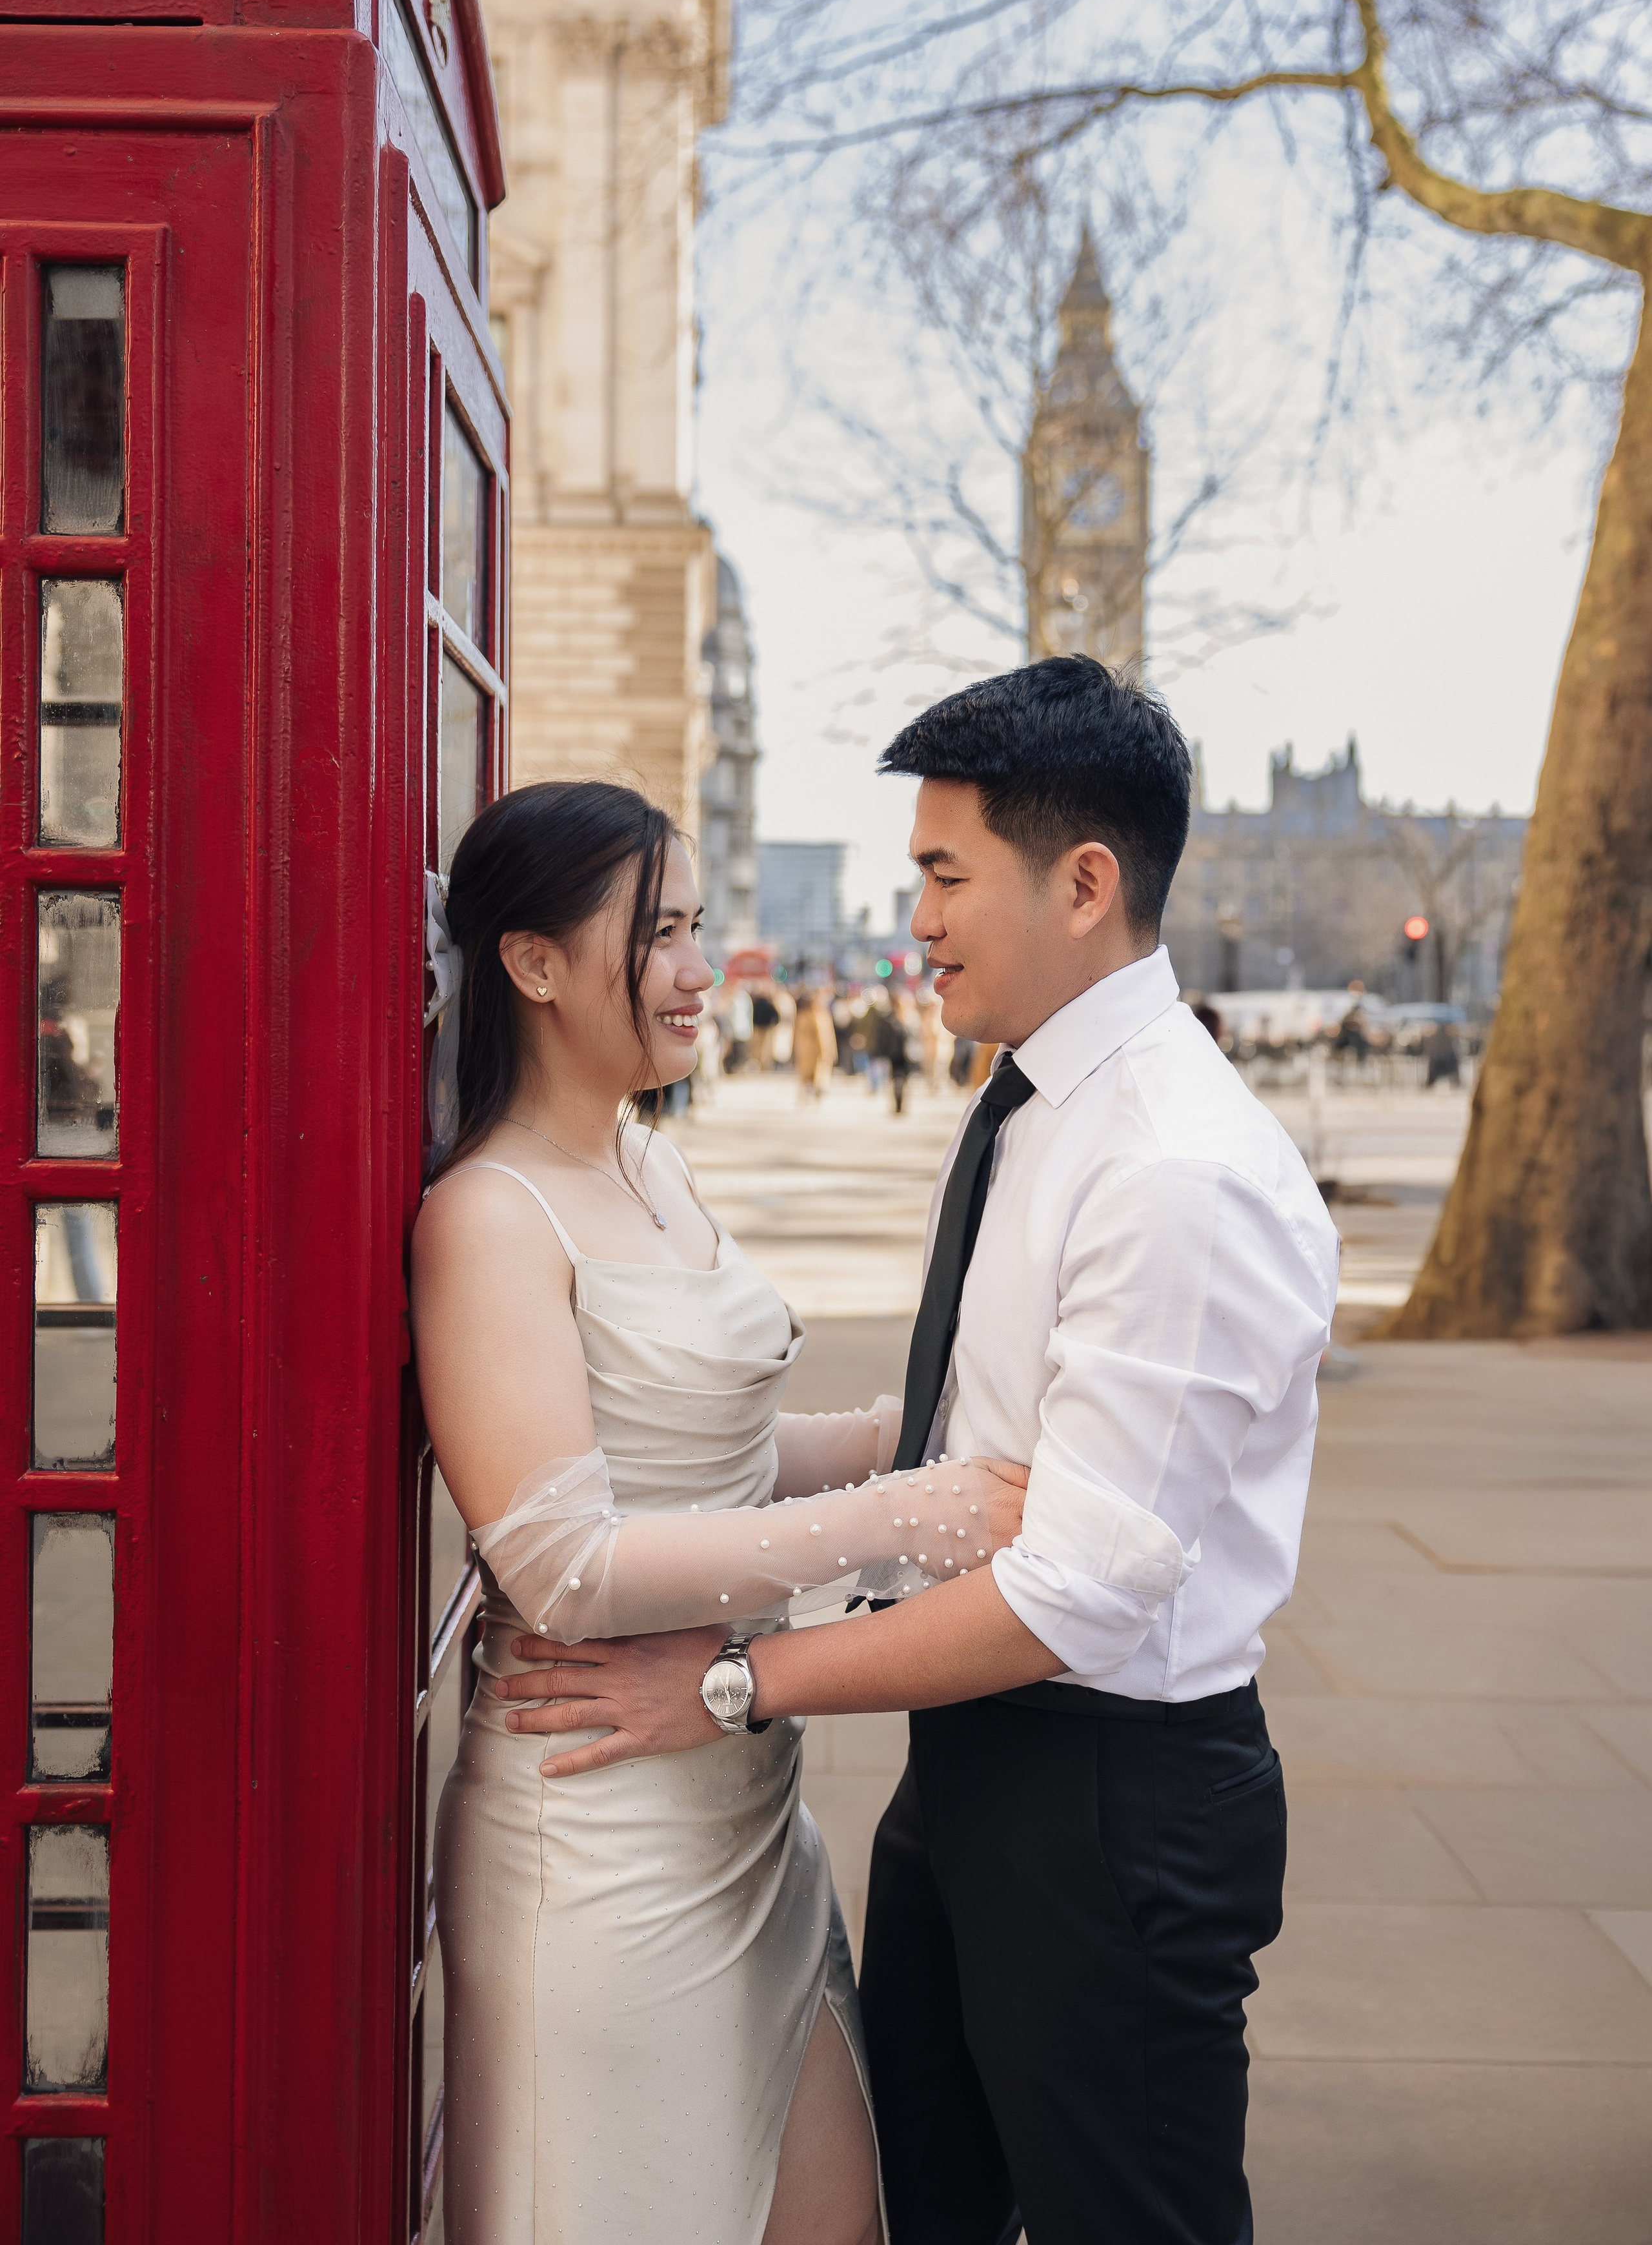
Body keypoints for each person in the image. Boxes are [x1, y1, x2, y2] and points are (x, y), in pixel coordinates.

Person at [492, 660, 1341, 2245]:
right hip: (973, 1771)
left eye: (945, 876)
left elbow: (1066, 1597)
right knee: (930, 2205)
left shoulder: (1172, 1169)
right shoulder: (1035, 1101)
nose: (919, 920)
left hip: (1109, 1807)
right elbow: (969, 1444)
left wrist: (734, 1682)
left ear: (1082, 882)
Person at [410, 780, 1026, 2245]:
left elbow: (720, 1448)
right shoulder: (491, 1214)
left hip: (749, 1809)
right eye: (661, 933)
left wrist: (915, 1433)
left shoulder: (643, 1155)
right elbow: (560, 1558)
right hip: (595, 1834)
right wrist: (910, 1514)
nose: (701, 969)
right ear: (533, 960)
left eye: (698, 925)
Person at [791, 986, 837, 1105]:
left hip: (823, 1052)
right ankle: (806, 1095)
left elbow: (830, 1035)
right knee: (807, 1076)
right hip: (808, 1051)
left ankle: (817, 1093)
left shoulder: (824, 1016)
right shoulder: (804, 1016)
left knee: (821, 1076)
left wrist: (832, 1051)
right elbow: (799, 1034)